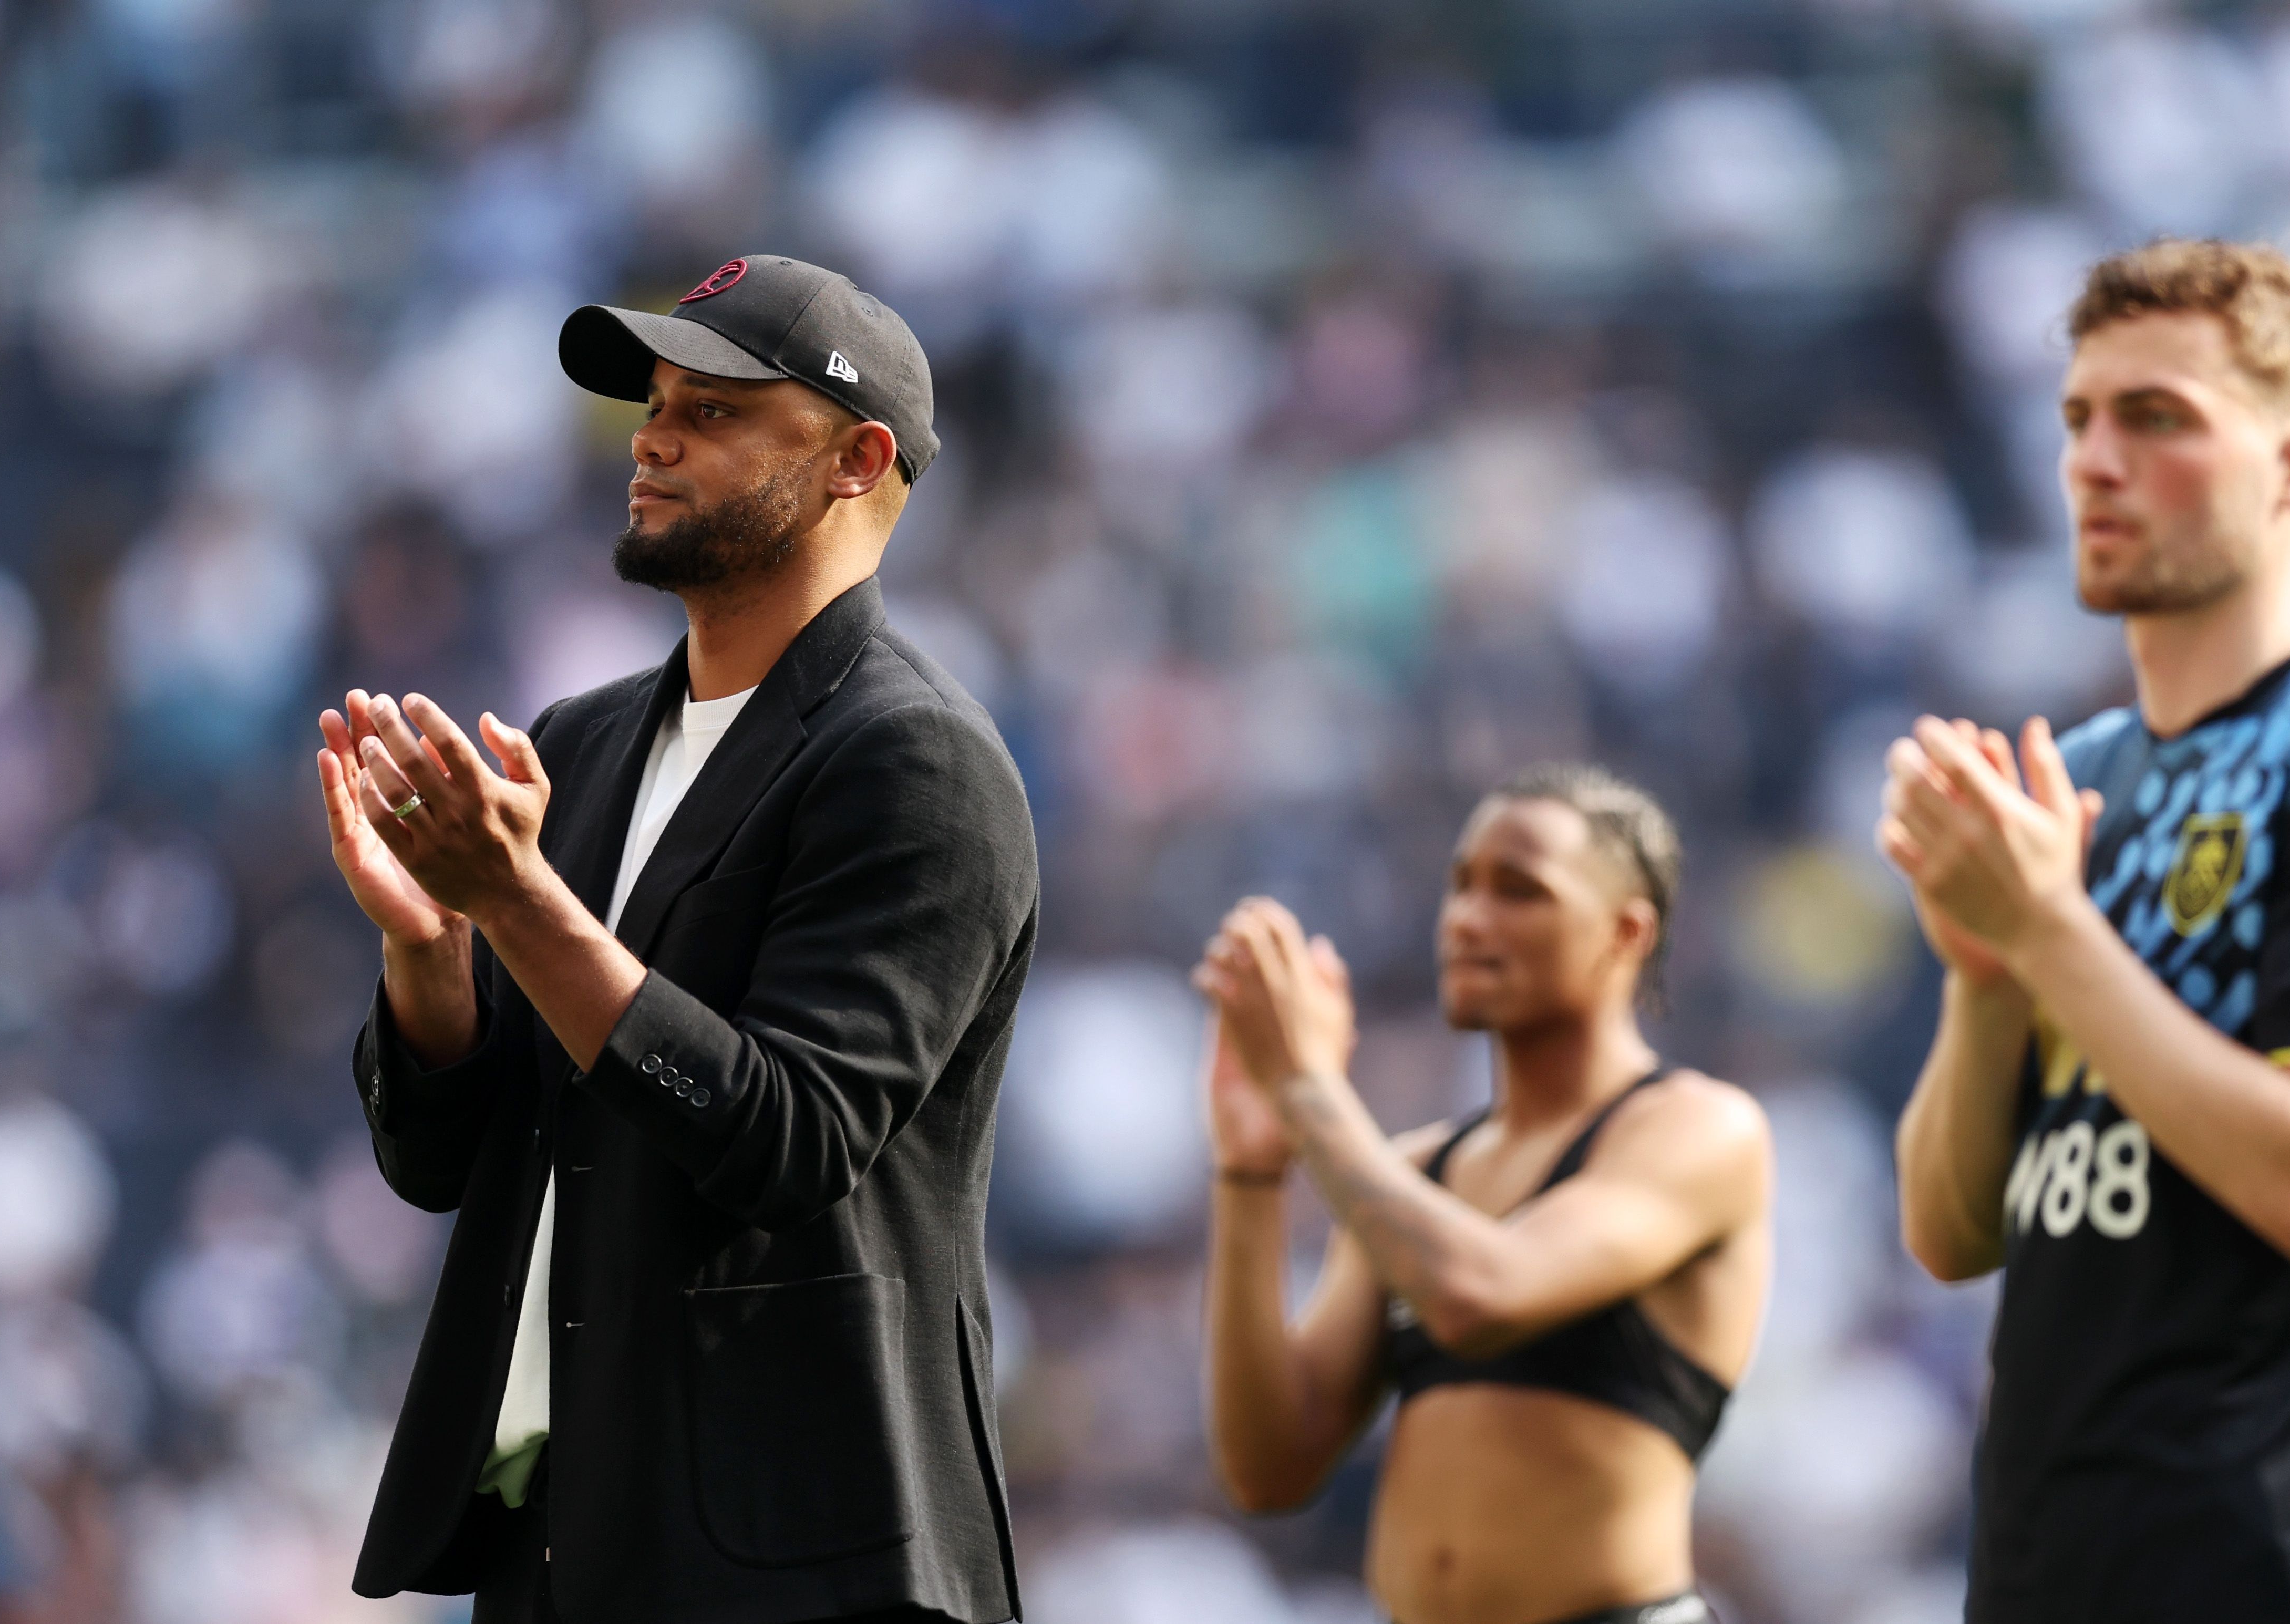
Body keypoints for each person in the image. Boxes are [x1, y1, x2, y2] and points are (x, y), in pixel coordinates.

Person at [313, 255, 1037, 1624]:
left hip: (801, 1564)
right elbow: (444, 1159)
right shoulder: (584, 742)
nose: (651, 436)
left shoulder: (915, 763)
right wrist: (430, 953)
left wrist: (519, 902)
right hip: (563, 1544)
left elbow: (790, 1137)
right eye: (655, 403)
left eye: (713, 411)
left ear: (854, 459)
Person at [1883, 240, 2290, 1623]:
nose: (2096, 462)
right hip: (2048, 1563)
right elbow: (1948, 1227)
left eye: (2158, 418)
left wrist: (2044, 931)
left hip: (2283, 1571)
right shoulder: (2087, 775)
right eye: (2079, 420)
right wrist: (1983, 972)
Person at [1193, 763, 1772, 1624]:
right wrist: (1251, 1171)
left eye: (1520, 891)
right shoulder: (1419, 1170)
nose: (1467, 919)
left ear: (1626, 932)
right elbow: (1268, 1468)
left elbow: (1479, 1296)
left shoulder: (1697, 1130)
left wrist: (1311, 1092)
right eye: (1459, 886)